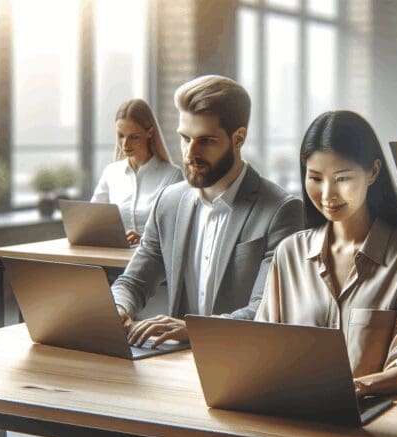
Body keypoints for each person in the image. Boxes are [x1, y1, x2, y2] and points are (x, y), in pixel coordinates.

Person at [255, 111, 397, 398]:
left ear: (373, 172)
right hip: (292, 411)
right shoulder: (289, 254)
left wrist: (358, 387)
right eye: (315, 178)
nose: (328, 194)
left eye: (342, 178)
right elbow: (264, 347)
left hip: (374, 416)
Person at [115, 75, 304, 347]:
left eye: (206, 141)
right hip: (175, 365)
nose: (190, 153)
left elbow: (267, 310)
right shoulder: (168, 201)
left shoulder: (281, 210)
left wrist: (194, 329)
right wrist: (119, 308)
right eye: (185, 138)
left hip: (243, 364)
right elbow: (133, 281)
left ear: (238, 139)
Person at [92, 99, 183, 245]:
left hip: (153, 262)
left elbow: (179, 231)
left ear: (150, 132)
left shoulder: (172, 175)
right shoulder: (111, 172)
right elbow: (91, 221)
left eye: (134, 137)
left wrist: (145, 240)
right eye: (121, 135)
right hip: (113, 258)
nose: (125, 144)